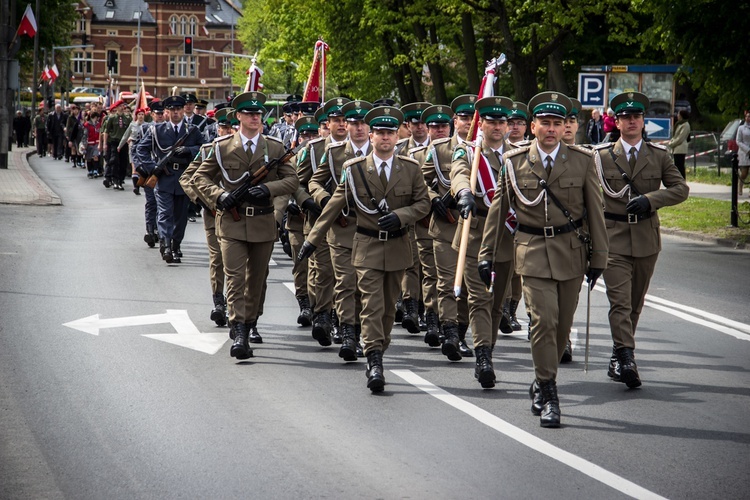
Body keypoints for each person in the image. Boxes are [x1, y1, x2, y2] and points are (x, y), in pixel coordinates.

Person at [480, 91, 608, 427]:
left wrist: (599, 259)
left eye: (557, 123)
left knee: (562, 327)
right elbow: (497, 214)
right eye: (544, 123)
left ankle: (540, 379)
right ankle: (549, 391)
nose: (551, 129)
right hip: (532, 251)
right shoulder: (514, 161)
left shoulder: (581, 161)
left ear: (565, 126)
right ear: (532, 126)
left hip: (570, 252)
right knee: (543, 322)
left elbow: (595, 213)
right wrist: (486, 256)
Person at [298, 106, 431, 392]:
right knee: (371, 305)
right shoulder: (354, 169)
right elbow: (334, 204)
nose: (385, 137)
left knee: (386, 309)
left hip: (397, 247)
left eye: (390, 133)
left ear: (398, 136)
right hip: (367, 246)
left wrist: (401, 216)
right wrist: (312, 240)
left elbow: (423, 204)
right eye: (380, 133)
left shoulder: (410, 169)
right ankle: (374, 361)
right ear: (371, 136)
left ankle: (379, 348)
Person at [191, 91, 299, 359]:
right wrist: (220, 196)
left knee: (257, 280)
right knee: (236, 277)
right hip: (231, 222)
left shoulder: (273, 147)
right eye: (249, 114)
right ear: (238, 117)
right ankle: (239, 329)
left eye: (258, 114)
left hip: (262, 221)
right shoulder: (222, 146)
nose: (255, 118)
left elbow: (292, 181)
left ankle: (251, 322)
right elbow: (199, 179)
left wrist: (268, 189)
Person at [596, 92, 689, 389]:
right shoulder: (601, 157)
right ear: (618, 122)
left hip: (647, 238)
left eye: (636, 116)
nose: (632, 121)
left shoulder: (658, 155)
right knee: (620, 302)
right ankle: (626, 357)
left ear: (643, 121)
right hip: (613, 238)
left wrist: (651, 199)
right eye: (626, 117)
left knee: (635, 303)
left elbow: (680, 189)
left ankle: (617, 352)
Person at [451, 96, 515, 377]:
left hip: (507, 237)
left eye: (502, 122)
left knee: (497, 302)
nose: (498, 126)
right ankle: (483, 356)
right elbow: (459, 174)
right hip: (475, 234)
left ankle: (487, 345)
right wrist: (464, 192)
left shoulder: (519, 155)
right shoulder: (468, 152)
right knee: (478, 298)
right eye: (492, 122)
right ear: (482, 124)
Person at [307, 99, 371, 352]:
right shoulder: (334, 153)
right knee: (344, 282)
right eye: (353, 123)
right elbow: (314, 182)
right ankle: (348, 334)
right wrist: (325, 201)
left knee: (365, 286)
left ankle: (361, 330)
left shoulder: (384, 152)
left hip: (373, 230)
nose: (357, 128)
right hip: (341, 226)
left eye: (362, 123)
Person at [421, 97, 474, 353]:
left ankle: (461, 330)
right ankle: (450, 332)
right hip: (446, 224)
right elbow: (419, 180)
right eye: (464, 118)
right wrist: (433, 200)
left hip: (476, 227)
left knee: (468, 283)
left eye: (474, 117)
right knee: (446, 280)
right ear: (456, 122)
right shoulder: (441, 148)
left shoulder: (487, 150)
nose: (469, 122)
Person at [180, 107, 236, 327]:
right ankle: (219, 301)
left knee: (237, 262)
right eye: (223, 126)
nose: (226, 130)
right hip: (214, 214)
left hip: (238, 216)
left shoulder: (246, 151)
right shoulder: (207, 150)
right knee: (217, 258)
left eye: (230, 126)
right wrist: (202, 201)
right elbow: (187, 178)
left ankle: (235, 305)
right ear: (217, 128)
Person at [134, 95, 203, 263]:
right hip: (164, 177)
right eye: (172, 110)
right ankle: (165, 245)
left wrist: (189, 150)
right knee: (164, 213)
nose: (176, 113)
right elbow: (141, 149)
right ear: (167, 112)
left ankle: (176, 244)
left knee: (180, 217)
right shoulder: (157, 130)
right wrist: (153, 168)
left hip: (184, 178)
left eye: (179, 109)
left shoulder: (192, 130)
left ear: (183, 110)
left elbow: (204, 148)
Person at [396, 101, 433, 333]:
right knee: (410, 263)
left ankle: (427, 311)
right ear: (408, 125)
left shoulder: (439, 149)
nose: (419, 127)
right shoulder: (400, 149)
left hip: (435, 217)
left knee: (431, 268)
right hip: (409, 215)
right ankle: (410, 308)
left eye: (423, 123)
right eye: (415, 123)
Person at [102, 100, 132, 190]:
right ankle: (114, 180)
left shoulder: (127, 118)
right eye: (120, 106)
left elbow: (131, 130)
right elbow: (106, 131)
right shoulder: (112, 118)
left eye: (123, 106)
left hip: (124, 143)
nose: (122, 108)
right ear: (116, 107)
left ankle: (120, 180)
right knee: (115, 161)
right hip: (114, 142)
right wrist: (104, 144)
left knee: (123, 162)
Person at [668, 109, 691, 178]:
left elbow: (680, 138)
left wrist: (672, 144)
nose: (677, 115)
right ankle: (678, 181)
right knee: (677, 166)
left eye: (678, 114)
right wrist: (671, 141)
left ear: (681, 115)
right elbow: (675, 136)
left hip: (680, 148)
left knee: (680, 166)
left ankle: (682, 181)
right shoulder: (679, 124)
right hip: (676, 149)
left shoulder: (685, 125)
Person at [81, 110, 103, 179]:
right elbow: (85, 134)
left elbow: (100, 133)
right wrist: (84, 144)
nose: (97, 119)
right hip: (89, 143)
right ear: (94, 117)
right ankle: (90, 170)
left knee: (95, 156)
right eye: (97, 117)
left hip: (96, 142)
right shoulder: (87, 124)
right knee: (89, 158)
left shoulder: (99, 124)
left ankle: (95, 170)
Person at [737, 110, 750, 196]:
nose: (749, 118)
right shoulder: (741, 128)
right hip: (744, 152)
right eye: (748, 116)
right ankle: (740, 185)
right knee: (744, 172)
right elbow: (738, 141)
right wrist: (747, 149)